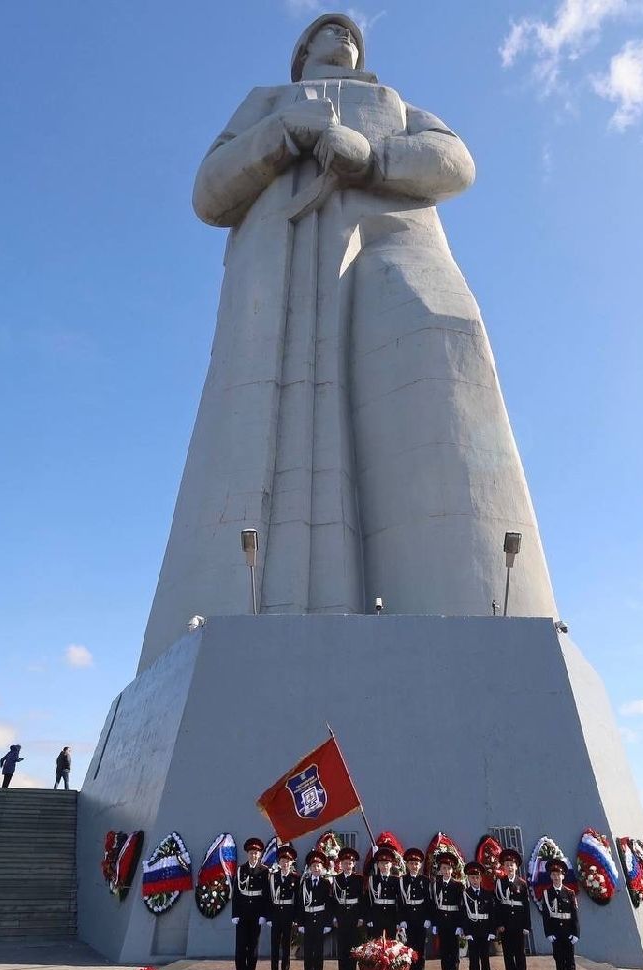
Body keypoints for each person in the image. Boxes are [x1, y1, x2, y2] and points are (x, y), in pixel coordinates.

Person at [138, 10, 558, 670]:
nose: (344, 37)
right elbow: (209, 193)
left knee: (434, 397)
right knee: (259, 442)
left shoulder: (394, 104)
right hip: (279, 274)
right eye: (327, 31)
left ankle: (473, 625)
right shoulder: (265, 101)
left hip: (395, 250)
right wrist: (283, 134)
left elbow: (455, 162)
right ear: (302, 49)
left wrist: (374, 156)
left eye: (352, 35)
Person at [232, 837, 269, 970]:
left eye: (256, 853)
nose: (253, 855)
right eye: (251, 853)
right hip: (242, 914)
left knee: (253, 947)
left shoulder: (264, 871)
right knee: (240, 947)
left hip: (256, 914)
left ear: (259, 854)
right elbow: (236, 893)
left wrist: (264, 914)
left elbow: (266, 895)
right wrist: (235, 914)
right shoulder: (241, 869)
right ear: (247, 854)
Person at [540, 857, 580, 970]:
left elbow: (574, 915)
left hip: (568, 931)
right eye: (553, 874)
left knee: (570, 957)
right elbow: (546, 916)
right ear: (550, 876)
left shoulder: (569, 893)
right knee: (558, 957)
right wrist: (548, 933)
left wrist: (576, 933)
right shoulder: (547, 893)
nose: (556, 877)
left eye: (558, 874)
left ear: (563, 876)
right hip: (555, 932)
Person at [495, 847, 532, 970]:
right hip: (505, 925)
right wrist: (499, 924)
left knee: (520, 954)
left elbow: (526, 906)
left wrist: (526, 926)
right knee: (508, 954)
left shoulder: (522, 884)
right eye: (507, 865)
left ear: (516, 867)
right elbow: (498, 906)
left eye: (512, 865)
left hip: (518, 925)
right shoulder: (500, 883)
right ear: (503, 867)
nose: (509, 867)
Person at [299, 849, 334, 970]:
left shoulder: (326, 883)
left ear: (322, 868)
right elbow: (300, 904)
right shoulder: (304, 883)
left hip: (320, 920)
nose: (316, 868)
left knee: (319, 951)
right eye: (313, 866)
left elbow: (329, 905)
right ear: (310, 868)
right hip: (308, 920)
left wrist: (327, 924)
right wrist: (301, 923)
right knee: (308, 951)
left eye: (318, 866)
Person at [398, 848, 432, 970]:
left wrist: (428, 918)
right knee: (409, 949)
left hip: (421, 919)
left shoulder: (425, 880)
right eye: (411, 863)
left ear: (420, 865)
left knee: (421, 950)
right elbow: (400, 901)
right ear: (407, 864)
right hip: (408, 919)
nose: (414, 866)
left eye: (416, 864)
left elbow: (429, 900)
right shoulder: (402, 880)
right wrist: (402, 919)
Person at [332, 846, 365, 970]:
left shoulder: (359, 879)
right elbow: (333, 901)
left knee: (353, 949)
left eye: (350, 863)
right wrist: (334, 917)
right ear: (341, 864)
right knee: (342, 949)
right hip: (341, 917)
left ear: (354, 864)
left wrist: (361, 917)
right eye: (345, 863)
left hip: (354, 917)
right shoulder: (336, 879)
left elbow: (362, 899)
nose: (347, 865)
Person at [432, 850, 464, 970]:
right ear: (440, 869)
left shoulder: (458, 885)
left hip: (453, 922)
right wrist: (435, 923)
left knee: (454, 952)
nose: (446, 871)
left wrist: (460, 925)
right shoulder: (436, 884)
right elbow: (434, 905)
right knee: (444, 952)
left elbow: (461, 907)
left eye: (449, 868)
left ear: (452, 870)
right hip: (442, 922)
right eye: (444, 868)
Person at [268, 844, 300, 970]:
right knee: (274, 947)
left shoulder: (295, 878)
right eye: (282, 861)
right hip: (275, 915)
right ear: (279, 862)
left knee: (286, 947)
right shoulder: (272, 877)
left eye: (288, 861)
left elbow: (297, 900)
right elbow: (268, 899)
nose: (285, 863)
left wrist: (295, 918)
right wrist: (269, 917)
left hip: (288, 915)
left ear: (291, 863)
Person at [462, 860, 496, 970]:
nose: (475, 880)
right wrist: (467, 932)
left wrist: (492, 931)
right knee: (473, 959)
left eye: (477, 877)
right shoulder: (465, 894)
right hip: (472, 931)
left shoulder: (488, 894)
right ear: (468, 878)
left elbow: (492, 914)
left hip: (485, 931)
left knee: (485, 958)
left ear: (481, 878)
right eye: (472, 877)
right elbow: (463, 914)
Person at [366, 846, 400, 941]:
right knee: (376, 942)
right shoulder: (372, 879)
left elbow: (400, 901)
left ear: (391, 864)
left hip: (392, 915)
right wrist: (369, 918)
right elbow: (368, 900)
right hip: (377, 915)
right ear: (378, 865)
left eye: (387, 863)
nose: (384, 866)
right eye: (381, 863)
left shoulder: (397, 880)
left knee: (392, 942)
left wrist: (399, 920)